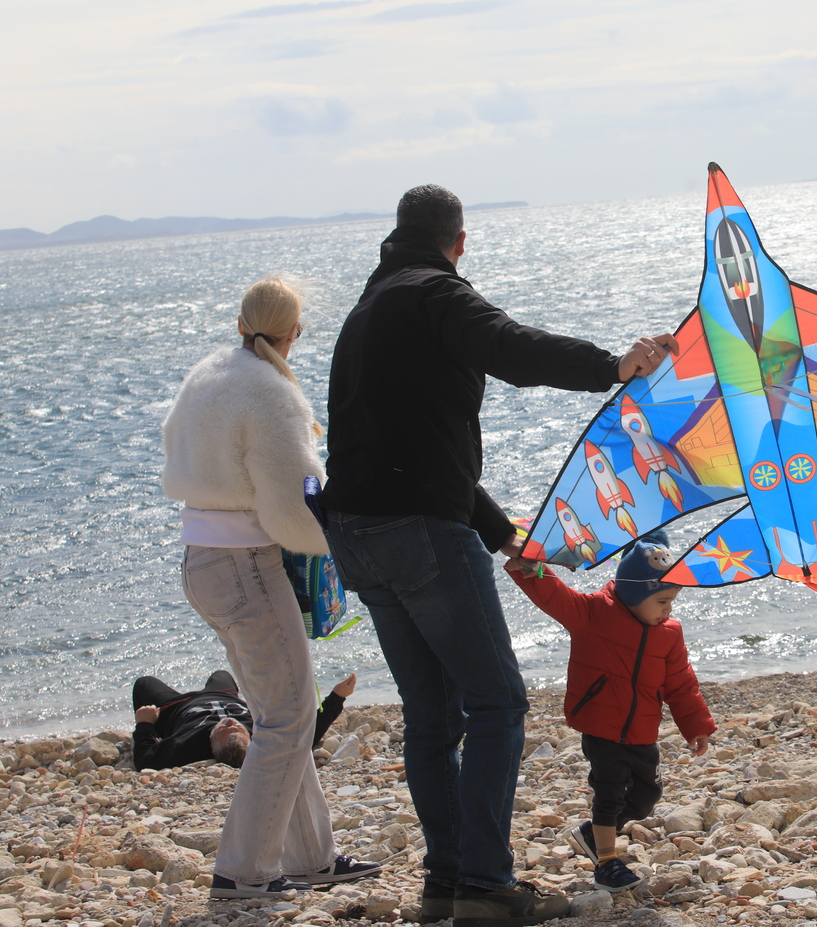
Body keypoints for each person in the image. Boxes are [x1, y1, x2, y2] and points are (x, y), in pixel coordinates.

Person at [322, 183, 676, 925]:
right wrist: (614, 365)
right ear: (459, 240)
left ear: (398, 234)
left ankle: (447, 884)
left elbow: (403, 445)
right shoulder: (436, 294)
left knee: (431, 714)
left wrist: (498, 530)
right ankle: (483, 883)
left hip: (357, 535)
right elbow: (512, 348)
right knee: (497, 701)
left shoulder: (366, 312)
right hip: (417, 532)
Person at [162, 276, 380, 901]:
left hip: (201, 560)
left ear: (239, 325)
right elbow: (292, 509)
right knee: (288, 716)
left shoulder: (207, 373)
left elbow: (173, 453)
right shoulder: (271, 391)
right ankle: (244, 869)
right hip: (247, 565)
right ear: (293, 336)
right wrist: (336, 545)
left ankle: (312, 856)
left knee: (278, 709)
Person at [504, 530, 715, 893]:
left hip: (642, 730)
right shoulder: (593, 615)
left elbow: (681, 683)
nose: (669, 610)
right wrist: (533, 569)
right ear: (635, 595)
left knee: (646, 797)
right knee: (609, 793)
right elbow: (556, 596)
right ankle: (606, 862)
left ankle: (592, 834)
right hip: (601, 726)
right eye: (662, 601)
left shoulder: (669, 633)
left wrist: (696, 725)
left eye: (672, 602)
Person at [132, 671, 357, 770]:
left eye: (225, 730)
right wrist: (337, 697)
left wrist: (145, 723)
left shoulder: (187, 746)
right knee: (221, 674)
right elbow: (307, 734)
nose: (231, 723)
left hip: (179, 706)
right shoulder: (261, 735)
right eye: (238, 730)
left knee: (143, 683)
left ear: (212, 745)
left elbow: (145, 759)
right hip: (225, 695)